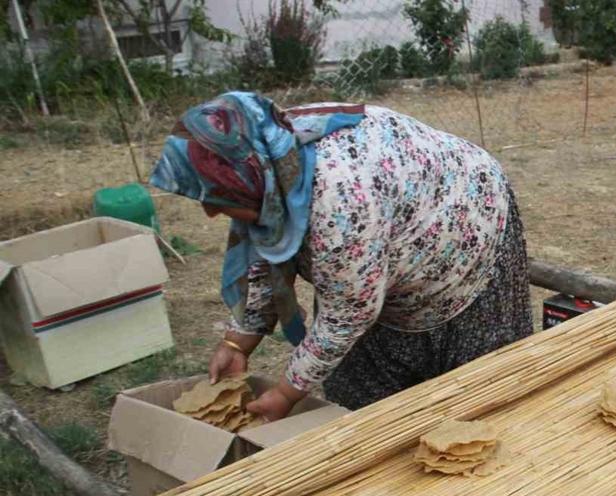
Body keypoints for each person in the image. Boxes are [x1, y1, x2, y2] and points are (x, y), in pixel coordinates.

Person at [149, 92, 532, 420]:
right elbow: (267, 253)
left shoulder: (341, 200)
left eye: (216, 198)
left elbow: (346, 316)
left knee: (478, 399)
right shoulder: (268, 158)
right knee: (364, 401)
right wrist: (237, 343)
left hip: (467, 219)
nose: (211, 213)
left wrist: (286, 394)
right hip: (383, 231)